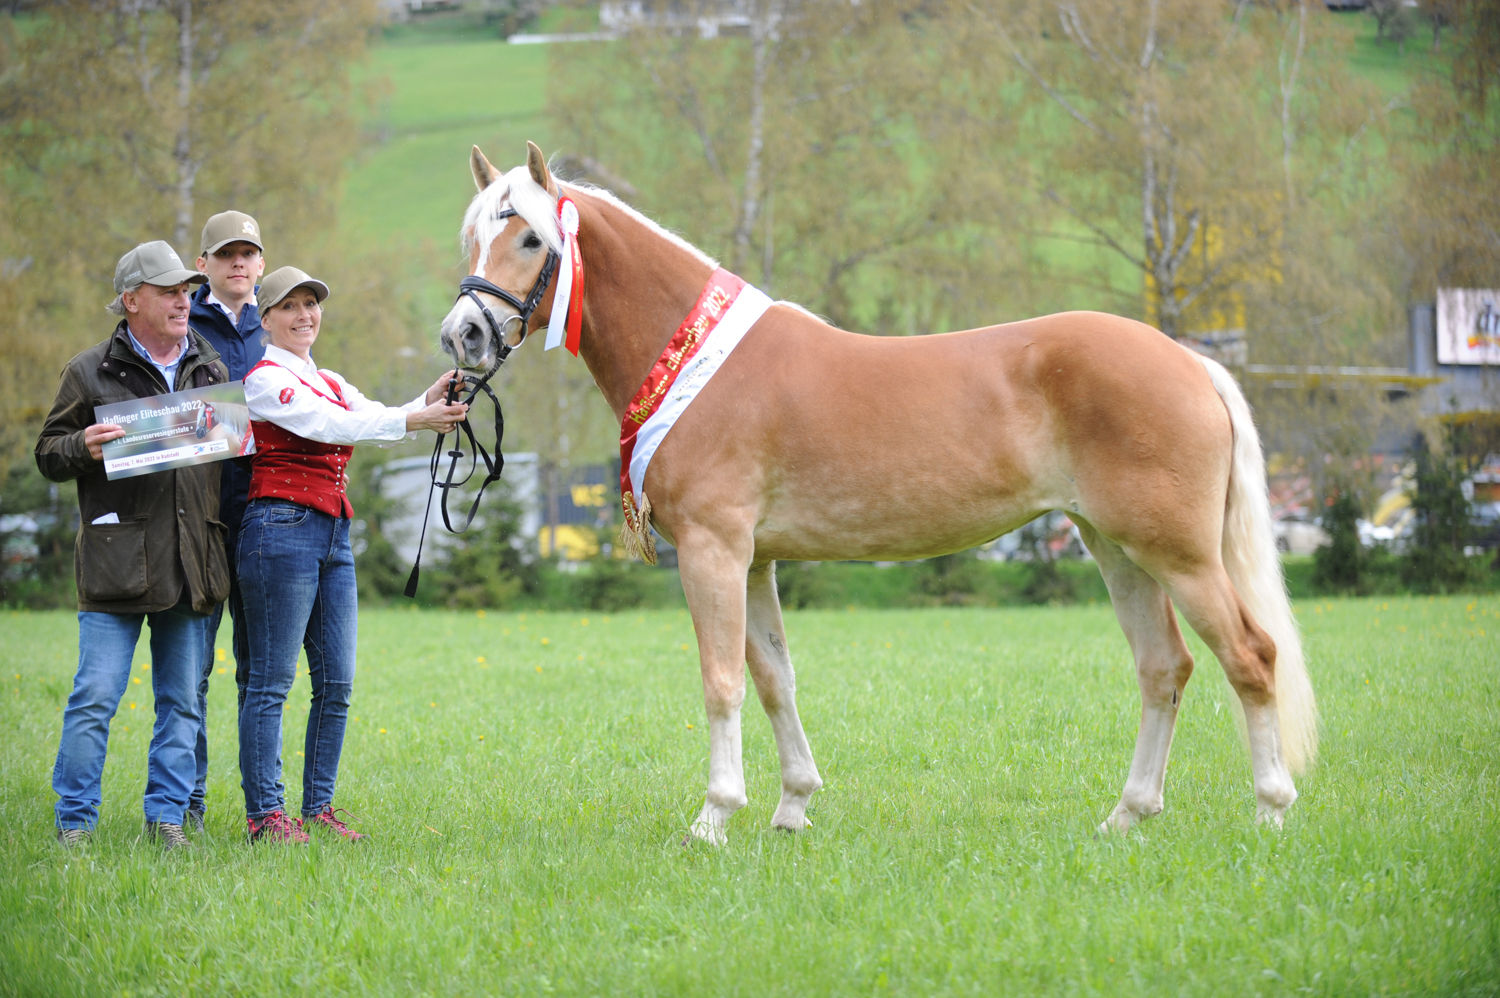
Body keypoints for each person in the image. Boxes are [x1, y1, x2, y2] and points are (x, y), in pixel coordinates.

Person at [236, 266, 468, 844]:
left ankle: (317, 809)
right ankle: (267, 816)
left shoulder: (332, 378)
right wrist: (414, 418)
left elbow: (362, 413)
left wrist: (425, 400)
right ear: (266, 320)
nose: (304, 315)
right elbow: (329, 425)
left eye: (312, 305)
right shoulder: (263, 380)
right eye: (290, 307)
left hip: (333, 532)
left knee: (337, 681)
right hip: (279, 529)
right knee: (270, 683)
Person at [35, 241, 231, 851]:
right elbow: (48, 453)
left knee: (183, 703)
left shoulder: (211, 366)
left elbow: (224, 459)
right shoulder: (88, 370)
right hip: (116, 562)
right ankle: (74, 824)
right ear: (130, 300)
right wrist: (80, 447)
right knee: (94, 698)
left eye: (187, 291)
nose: (184, 300)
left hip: (191, 561)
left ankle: (166, 820)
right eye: (169, 291)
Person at [187, 209, 267, 832]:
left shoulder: (284, 321)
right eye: (226, 254)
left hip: (266, 521)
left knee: (255, 671)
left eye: (248, 253)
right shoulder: (181, 322)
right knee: (191, 670)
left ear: (261, 264)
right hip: (197, 521)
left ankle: (259, 810)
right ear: (203, 264)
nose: (238, 262)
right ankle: (182, 806)